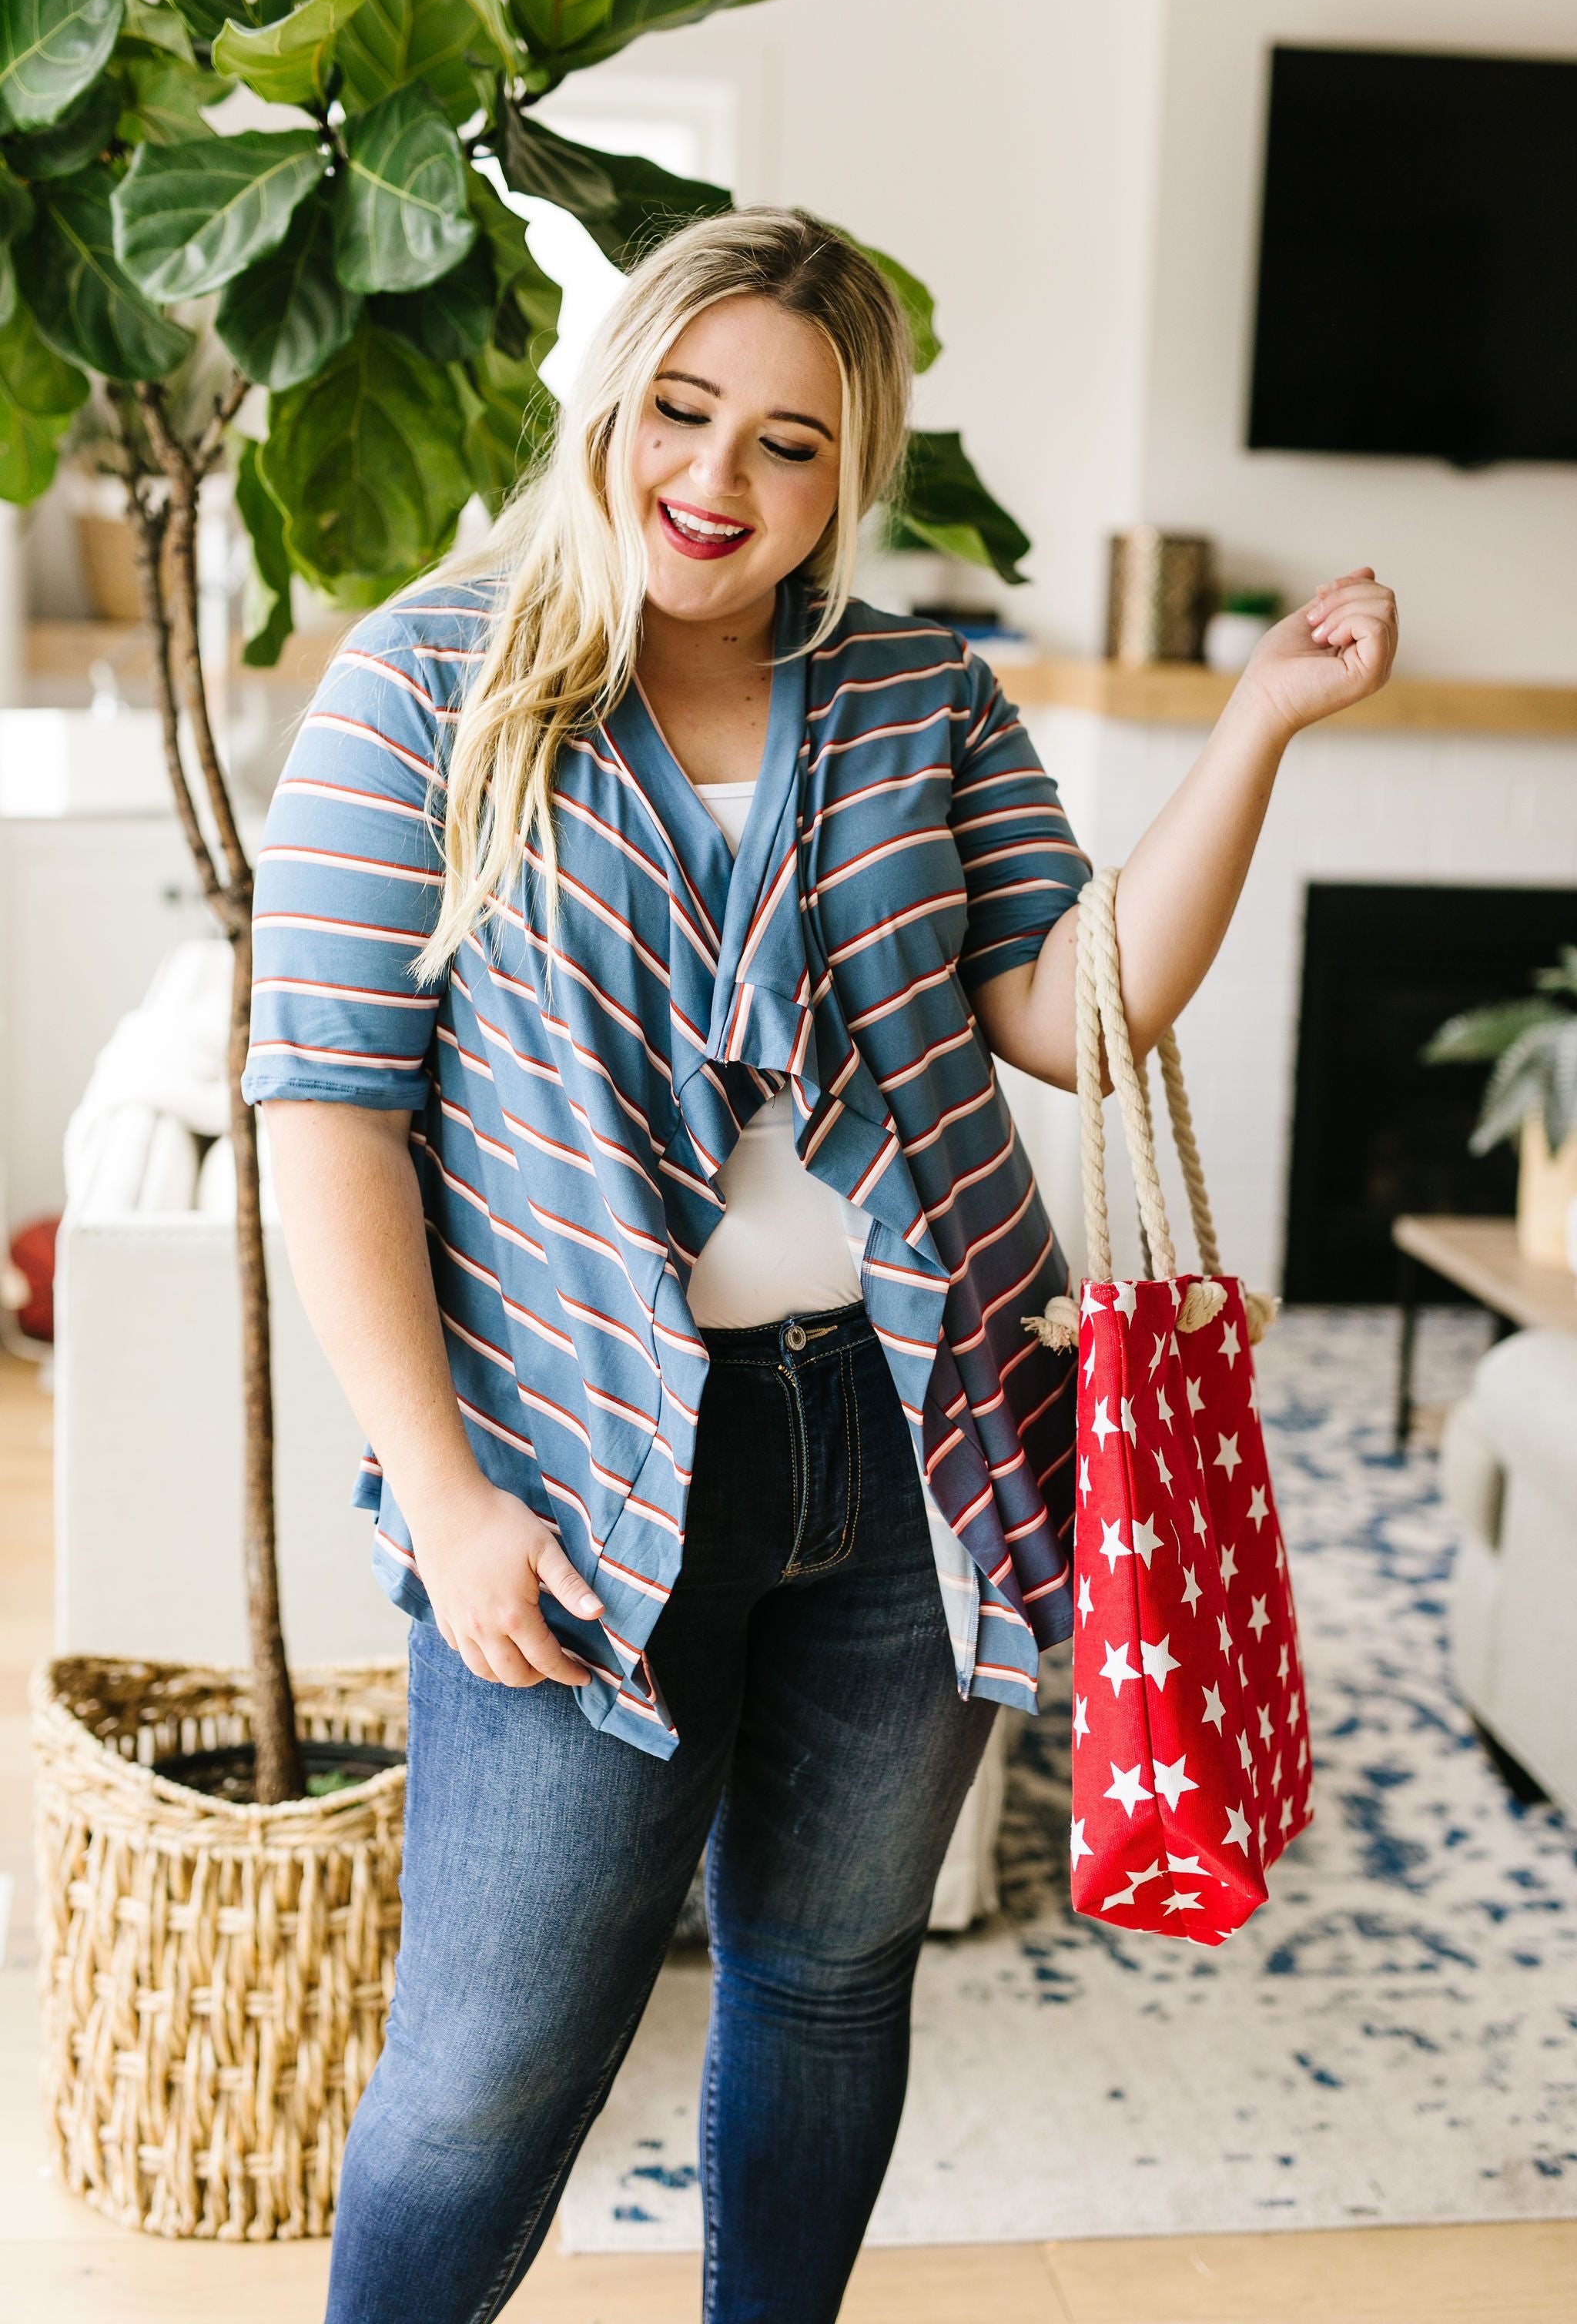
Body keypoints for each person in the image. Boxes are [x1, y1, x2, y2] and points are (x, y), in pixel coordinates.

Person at [242, 204, 1398, 2323]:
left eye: (789, 443)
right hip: (583, 1465)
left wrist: (1256, 734)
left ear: (849, 475)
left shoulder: (911, 697)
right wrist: (444, 1487)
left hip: (911, 1436)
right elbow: (324, 1110)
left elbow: (1080, 1014)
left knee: (833, 1975)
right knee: (489, 2070)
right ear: (611, 402)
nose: (717, 480)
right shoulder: (425, 684)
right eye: (683, 412)